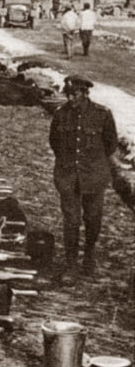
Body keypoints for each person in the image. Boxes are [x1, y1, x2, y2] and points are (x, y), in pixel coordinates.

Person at [49, 75, 118, 278]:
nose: (71, 99)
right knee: (71, 219)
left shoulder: (102, 114)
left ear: (85, 93)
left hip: (94, 175)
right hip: (68, 175)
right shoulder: (61, 114)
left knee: (93, 218)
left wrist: (93, 162)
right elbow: (55, 142)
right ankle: (71, 263)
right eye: (68, 95)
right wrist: (68, 162)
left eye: (75, 94)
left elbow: (111, 144)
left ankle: (89, 254)